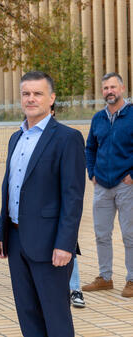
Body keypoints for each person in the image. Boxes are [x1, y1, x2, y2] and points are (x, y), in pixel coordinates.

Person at [0, 71, 85, 336]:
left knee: (55, 317)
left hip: (50, 244)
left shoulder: (67, 138)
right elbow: (9, 188)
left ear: (52, 98)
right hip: (17, 238)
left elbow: (73, 196)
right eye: (26, 93)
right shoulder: (15, 138)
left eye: (38, 93)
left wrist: (65, 244)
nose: (31, 99)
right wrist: (2, 233)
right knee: (28, 314)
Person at [82, 72, 133, 298]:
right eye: (105, 88)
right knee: (101, 234)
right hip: (102, 184)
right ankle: (105, 277)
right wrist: (92, 172)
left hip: (126, 184)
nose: (109, 91)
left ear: (122, 89)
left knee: (130, 234)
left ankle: (132, 280)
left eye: (113, 87)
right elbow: (90, 147)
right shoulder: (97, 118)